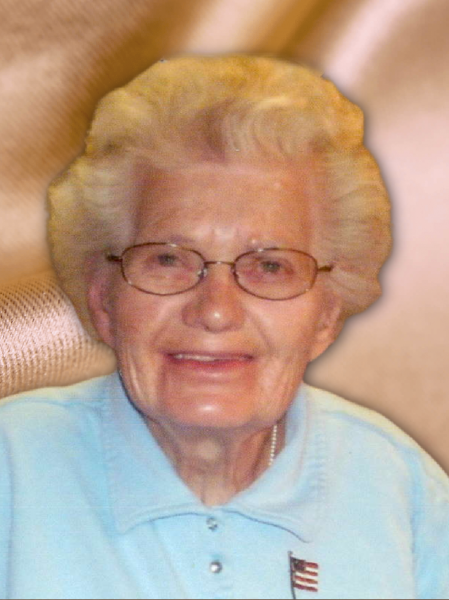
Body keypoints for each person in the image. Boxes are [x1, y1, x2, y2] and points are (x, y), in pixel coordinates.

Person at [0, 54, 447, 600]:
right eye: (167, 259)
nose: (215, 311)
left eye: (270, 266)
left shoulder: (399, 491)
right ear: (103, 300)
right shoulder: (12, 473)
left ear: (326, 315)